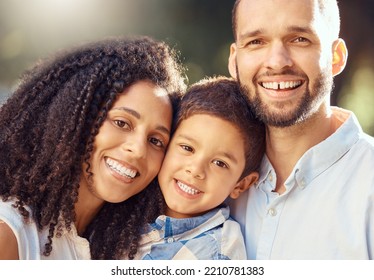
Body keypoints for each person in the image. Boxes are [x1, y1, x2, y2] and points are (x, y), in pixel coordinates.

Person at [0, 36, 186, 260]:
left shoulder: (126, 246)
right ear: (76, 118)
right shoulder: (11, 233)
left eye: (156, 140)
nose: (138, 150)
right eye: (121, 123)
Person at [227, 0, 374, 259]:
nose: (277, 62)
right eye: (256, 42)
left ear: (336, 57)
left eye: (299, 39)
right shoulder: (214, 179)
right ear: (234, 60)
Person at [130, 76, 265, 260]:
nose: (196, 170)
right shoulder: (129, 204)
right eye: (187, 148)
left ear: (241, 184)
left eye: (219, 163)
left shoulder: (217, 253)